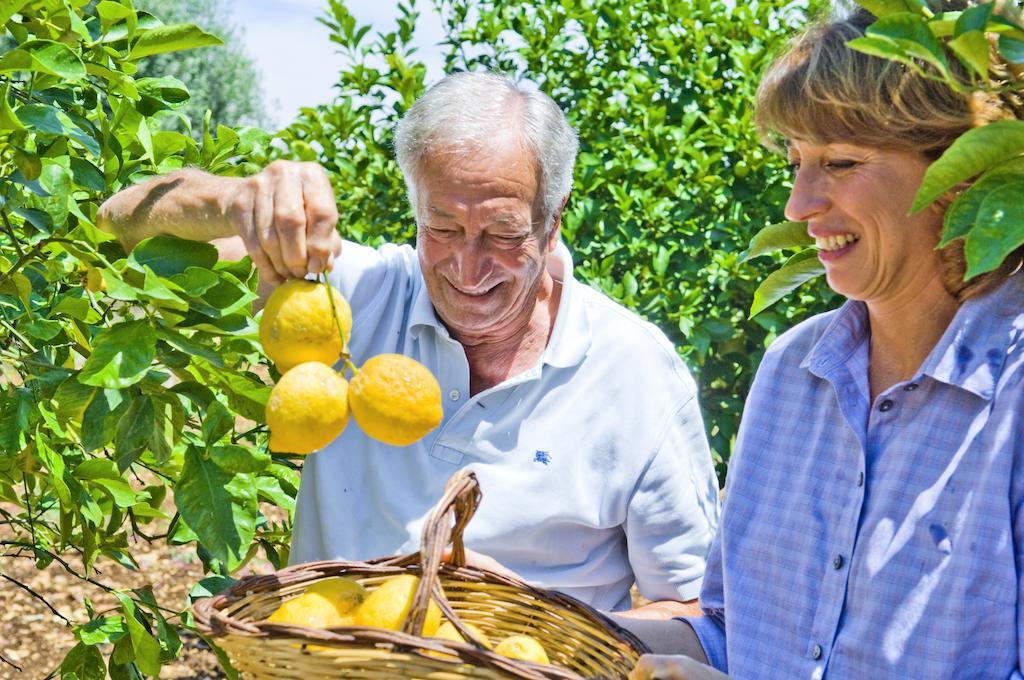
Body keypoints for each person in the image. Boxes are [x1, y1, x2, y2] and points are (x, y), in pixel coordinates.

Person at [97, 71, 721, 617]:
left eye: (503, 233)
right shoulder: (346, 303)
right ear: (414, 206)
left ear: (553, 218)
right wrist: (234, 201)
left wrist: (531, 619)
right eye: (441, 228)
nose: (468, 268)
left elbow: (695, 610)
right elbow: (121, 226)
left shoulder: (634, 372)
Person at [622, 2, 1024, 677]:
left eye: (839, 162)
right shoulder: (791, 374)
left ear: (962, 174)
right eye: (796, 163)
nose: (798, 204)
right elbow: (733, 631)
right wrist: (550, 619)